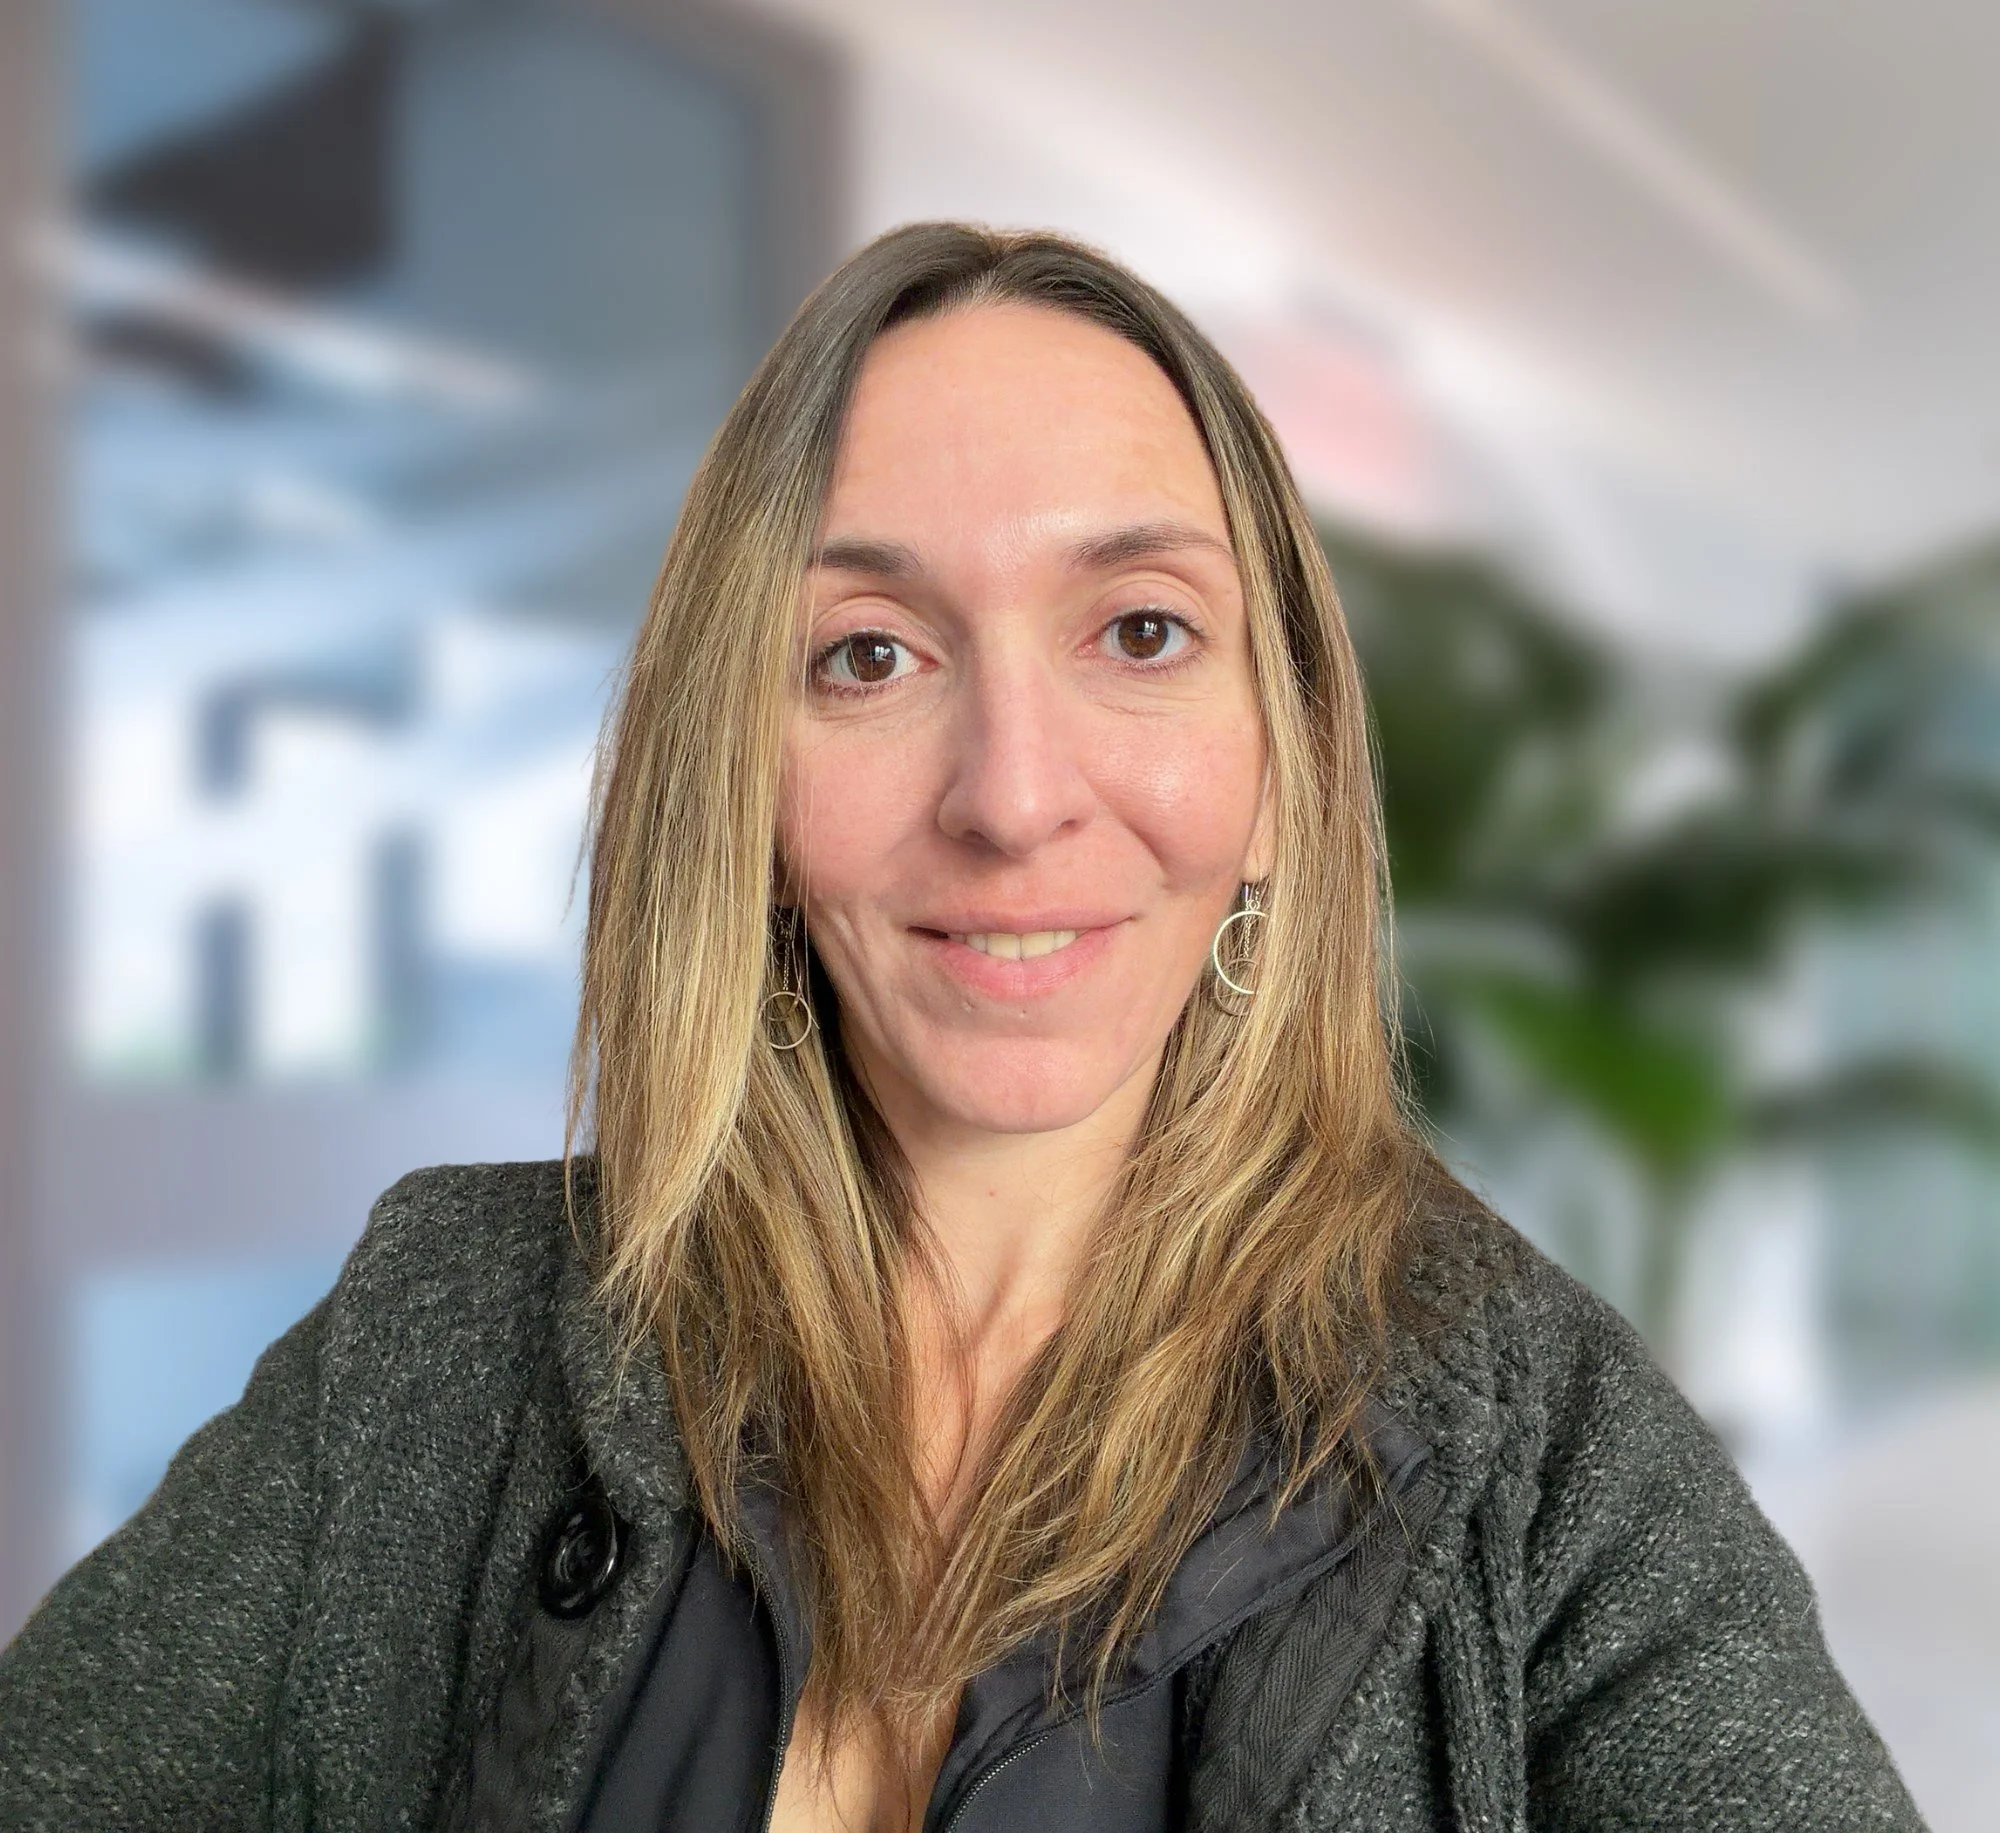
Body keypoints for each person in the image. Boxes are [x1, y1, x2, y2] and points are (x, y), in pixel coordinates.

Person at [0, 223, 1925, 1833]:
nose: (1011, 796)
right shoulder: (445, 1335)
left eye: (1141, 632)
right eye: (869, 655)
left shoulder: (1548, 1460)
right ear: (741, 784)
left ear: (1280, 759)